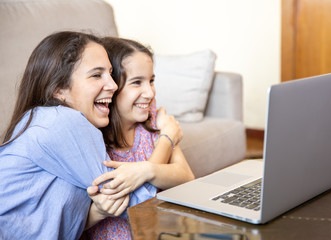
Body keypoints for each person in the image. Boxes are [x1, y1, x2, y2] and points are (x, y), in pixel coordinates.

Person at [0, 31, 183, 240]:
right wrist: (167, 138)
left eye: (111, 73)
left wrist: (98, 211)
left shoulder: (40, 119)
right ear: (58, 89)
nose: (113, 85)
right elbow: (142, 207)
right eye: (96, 75)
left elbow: (55, 219)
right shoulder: (64, 122)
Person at [84, 37, 195, 239]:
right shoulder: (94, 138)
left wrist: (146, 170)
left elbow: (187, 177)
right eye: (137, 82)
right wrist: (167, 137)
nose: (150, 92)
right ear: (112, 88)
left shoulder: (151, 118)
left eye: (151, 81)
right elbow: (136, 203)